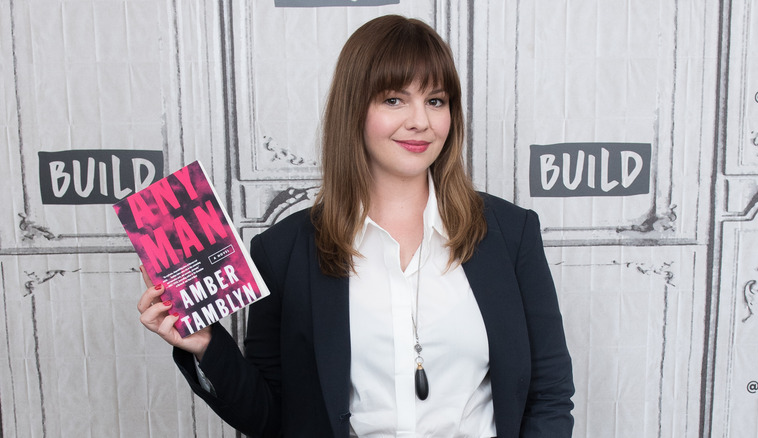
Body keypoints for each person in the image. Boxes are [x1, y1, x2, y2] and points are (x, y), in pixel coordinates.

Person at [138, 14, 574, 437]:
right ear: (354, 109)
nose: (420, 120)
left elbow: (549, 394)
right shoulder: (284, 251)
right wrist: (205, 345)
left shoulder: (510, 233)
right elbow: (272, 418)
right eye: (394, 99)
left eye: (436, 100)